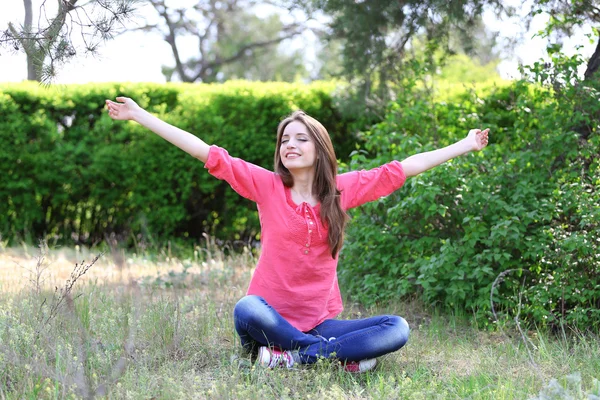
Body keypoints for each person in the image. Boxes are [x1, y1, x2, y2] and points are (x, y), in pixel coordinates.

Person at [105, 96, 489, 373]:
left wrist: (466, 144)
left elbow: (401, 169)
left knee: (397, 328)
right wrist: (141, 116)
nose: (290, 144)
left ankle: (293, 358)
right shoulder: (266, 186)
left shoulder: (341, 189)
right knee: (246, 307)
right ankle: (336, 358)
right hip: (268, 322)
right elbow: (209, 154)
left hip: (319, 321)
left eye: (301, 139)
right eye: (285, 139)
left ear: (319, 149)